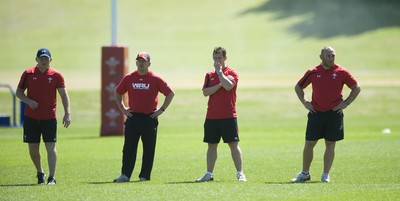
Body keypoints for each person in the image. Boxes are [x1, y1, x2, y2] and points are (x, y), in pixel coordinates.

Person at [291, 46, 361, 183]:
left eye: (333, 56)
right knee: (309, 143)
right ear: (321, 57)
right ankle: (305, 173)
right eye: (328, 56)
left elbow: (356, 87)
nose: (331, 58)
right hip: (316, 113)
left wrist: (346, 103)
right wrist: (305, 102)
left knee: (330, 144)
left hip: (334, 113)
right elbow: (298, 87)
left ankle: (325, 175)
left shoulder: (341, 72)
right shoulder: (313, 72)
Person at [113, 51, 175, 182]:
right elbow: (117, 93)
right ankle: (125, 175)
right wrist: (123, 109)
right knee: (129, 148)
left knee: (148, 149)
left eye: (143, 61)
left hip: (149, 118)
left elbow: (170, 93)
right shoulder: (129, 78)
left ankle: (144, 176)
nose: (141, 63)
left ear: (149, 64)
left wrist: (161, 110)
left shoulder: (155, 78)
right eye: (139, 61)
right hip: (133, 117)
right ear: (136, 63)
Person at [16, 48, 71, 185]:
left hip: (49, 118)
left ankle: (52, 177)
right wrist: (29, 101)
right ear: (36, 59)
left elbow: (64, 95)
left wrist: (67, 113)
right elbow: (19, 92)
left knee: (50, 146)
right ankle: (40, 172)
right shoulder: (28, 74)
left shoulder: (56, 75)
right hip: (31, 117)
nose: (44, 60)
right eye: (41, 58)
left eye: (46, 58)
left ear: (50, 60)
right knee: (33, 147)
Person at [196, 46, 246, 182]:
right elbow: (206, 92)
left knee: (233, 144)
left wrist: (219, 74)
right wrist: (219, 85)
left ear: (225, 58)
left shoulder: (231, 72)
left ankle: (240, 173)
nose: (217, 60)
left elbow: (229, 86)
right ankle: (209, 173)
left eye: (219, 57)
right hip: (212, 116)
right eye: (215, 57)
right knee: (211, 145)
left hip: (228, 115)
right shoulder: (209, 75)